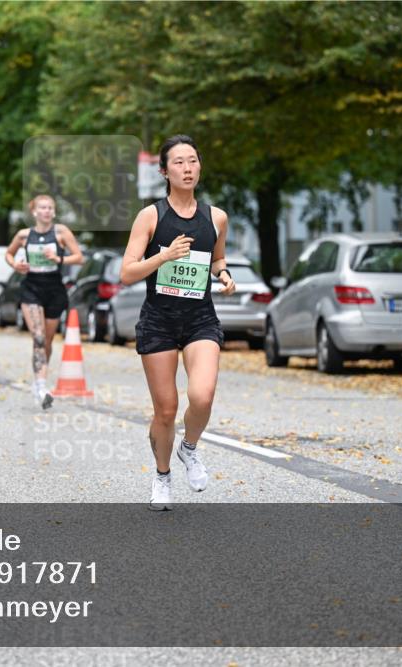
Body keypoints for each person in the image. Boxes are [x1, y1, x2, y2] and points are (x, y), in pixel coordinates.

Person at [119, 135, 236, 511]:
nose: (187, 168)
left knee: (202, 396)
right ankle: (162, 475)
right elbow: (127, 272)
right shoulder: (151, 216)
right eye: (179, 163)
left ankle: (190, 448)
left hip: (200, 317)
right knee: (166, 410)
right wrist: (164, 256)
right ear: (164, 171)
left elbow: (217, 259)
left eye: (193, 161)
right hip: (159, 321)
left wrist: (224, 275)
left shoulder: (215, 217)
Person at [4, 195, 84, 409]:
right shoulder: (23, 235)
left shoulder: (61, 233)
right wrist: (16, 265)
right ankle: (41, 387)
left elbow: (79, 257)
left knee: (47, 341)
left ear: (54, 212)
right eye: (42, 207)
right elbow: (9, 254)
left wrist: (59, 259)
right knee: (38, 338)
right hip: (31, 289)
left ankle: (40, 379)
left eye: (50, 208)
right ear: (34, 212)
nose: (47, 211)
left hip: (54, 291)